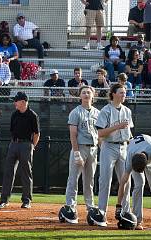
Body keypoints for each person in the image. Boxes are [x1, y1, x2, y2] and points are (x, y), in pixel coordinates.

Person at [58, 86, 99, 223]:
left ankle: (90, 207)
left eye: (88, 92)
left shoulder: (98, 113)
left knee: (90, 180)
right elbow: (73, 134)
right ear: (80, 96)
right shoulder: (75, 112)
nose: (86, 94)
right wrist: (76, 153)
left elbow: (101, 135)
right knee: (73, 178)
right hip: (80, 147)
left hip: (93, 149)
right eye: (84, 92)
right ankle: (70, 206)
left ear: (93, 95)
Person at [94, 83, 133, 227]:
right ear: (113, 94)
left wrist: (132, 146)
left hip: (124, 147)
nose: (124, 95)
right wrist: (117, 126)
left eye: (125, 92)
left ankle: (125, 213)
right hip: (109, 147)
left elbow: (129, 133)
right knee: (105, 180)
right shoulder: (106, 110)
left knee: (126, 181)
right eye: (121, 92)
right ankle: (101, 214)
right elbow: (99, 133)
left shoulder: (127, 111)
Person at [0, 91, 40, 209]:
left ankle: (27, 200)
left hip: (26, 144)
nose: (15, 103)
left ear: (23, 102)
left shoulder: (32, 115)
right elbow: (12, 131)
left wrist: (32, 146)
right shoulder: (14, 114)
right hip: (14, 144)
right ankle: (4, 200)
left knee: (26, 173)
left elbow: (36, 134)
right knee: (8, 172)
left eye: (16, 101)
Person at [116, 134, 151, 230]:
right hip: (135, 148)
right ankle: (137, 220)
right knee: (139, 183)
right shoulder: (130, 155)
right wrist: (118, 205)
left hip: (150, 151)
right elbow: (123, 183)